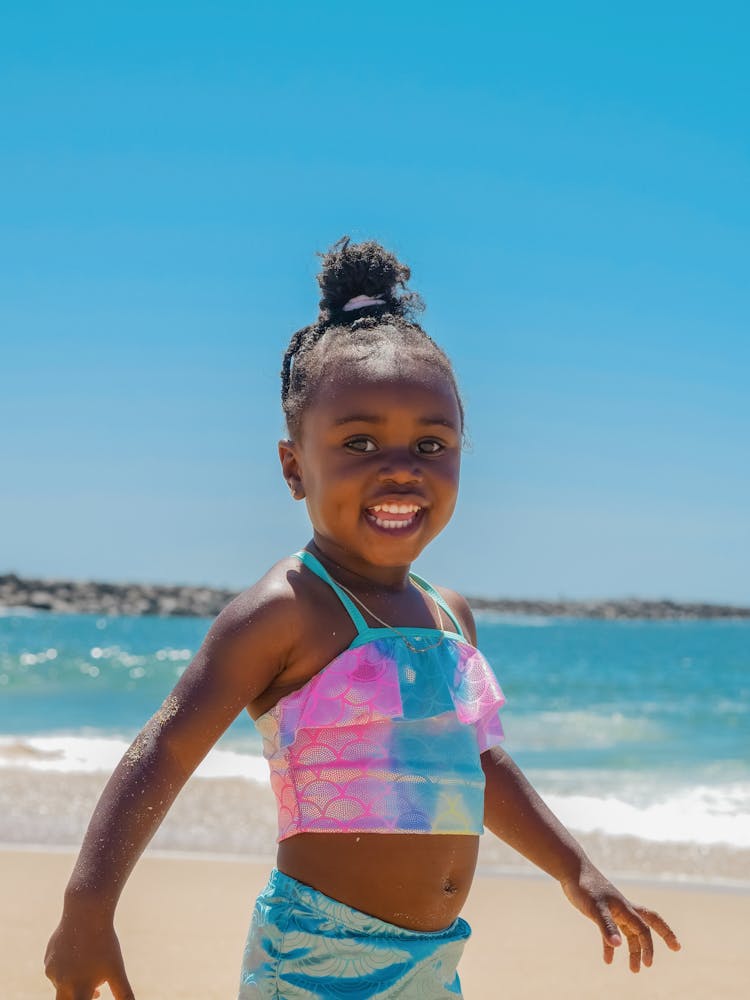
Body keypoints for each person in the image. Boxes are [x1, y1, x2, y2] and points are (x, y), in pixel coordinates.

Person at [45, 236, 681, 999]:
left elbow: (479, 767)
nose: (401, 465)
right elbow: (168, 748)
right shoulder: (286, 610)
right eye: (359, 442)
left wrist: (575, 868)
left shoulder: (450, 616)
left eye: (431, 443)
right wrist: (88, 907)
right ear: (293, 467)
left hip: (435, 961)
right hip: (317, 957)